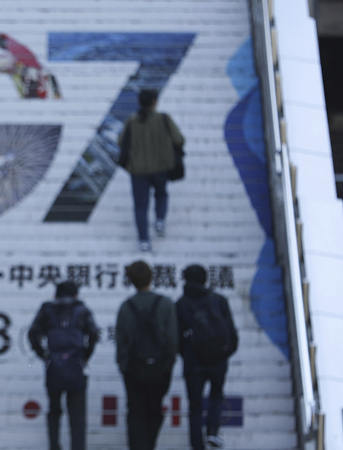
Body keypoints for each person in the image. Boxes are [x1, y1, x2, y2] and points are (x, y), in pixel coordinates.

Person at [28, 281, 100, 450]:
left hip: (54, 367)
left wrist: (44, 355)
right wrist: (85, 356)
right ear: (76, 295)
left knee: (54, 412)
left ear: (55, 295)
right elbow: (94, 334)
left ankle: (54, 446)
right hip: (76, 367)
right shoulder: (82, 310)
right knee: (77, 416)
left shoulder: (47, 310)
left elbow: (32, 334)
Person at [115, 261, 178, 450]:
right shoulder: (165, 303)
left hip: (133, 369)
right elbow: (173, 340)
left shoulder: (126, 307)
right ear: (151, 277)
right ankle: (149, 446)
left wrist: (124, 366)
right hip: (159, 369)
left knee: (135, 413)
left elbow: (120, 342)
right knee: (154, 411)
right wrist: (167, 366)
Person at [176, 265, 238, 449]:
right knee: (217, 395)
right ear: (205, 279)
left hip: (193, 362)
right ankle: (212, 432)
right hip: (218, 360)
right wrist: (224, 353)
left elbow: (177, 338)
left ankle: (197, 445)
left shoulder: (181, 304)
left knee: (194, 406)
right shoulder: (219, 300)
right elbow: (232, 333)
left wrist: (187, 354)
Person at [117, 89, 184, 252]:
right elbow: (179, 139)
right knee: (161, 194)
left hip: (138, 170)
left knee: (140, 206)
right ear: (154, 101)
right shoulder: (163, 118)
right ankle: (160, 220)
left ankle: (143, 240)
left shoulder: (132, 121)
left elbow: (120, 142)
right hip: (161, 167)